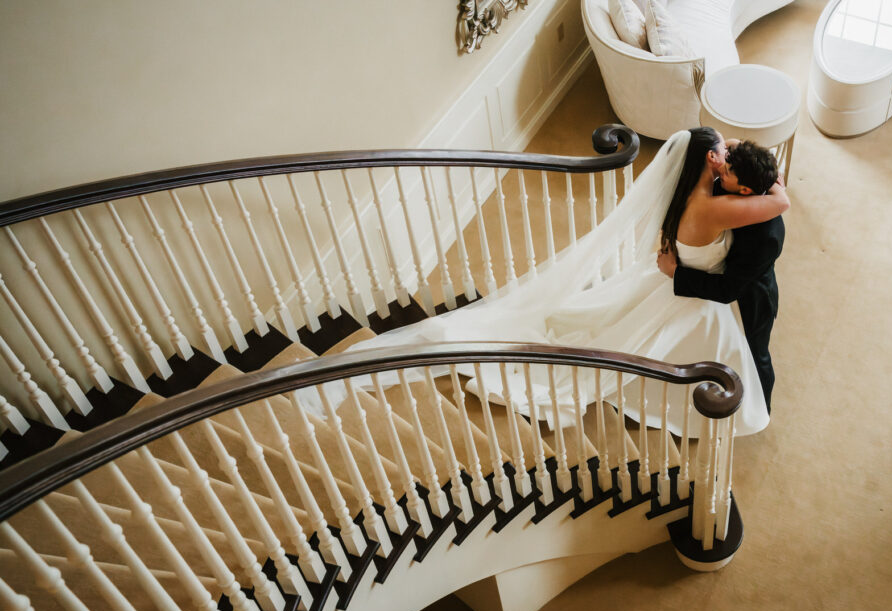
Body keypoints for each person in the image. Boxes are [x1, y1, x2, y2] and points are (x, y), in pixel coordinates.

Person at [301, 128, 785, 437]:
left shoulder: (693, 193)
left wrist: (718, 161)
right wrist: (751, 176)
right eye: (721, 151)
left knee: (632, 330)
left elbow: (734, 168)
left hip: (668, 279)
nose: (727, 151)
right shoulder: (716, 205)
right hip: (687, 293)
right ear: (713, 167)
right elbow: (777, 203)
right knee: (680, 346)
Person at [656, 135, 786, 413]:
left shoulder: (767, 237)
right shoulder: (731, 179)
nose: (721, 171)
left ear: (745, 191)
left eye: (727, 173)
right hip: (726, 268)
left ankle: (761, 407)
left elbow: (728, 289)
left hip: (751, 295)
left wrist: (676, 273)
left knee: (755, 355)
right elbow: (735, 143)